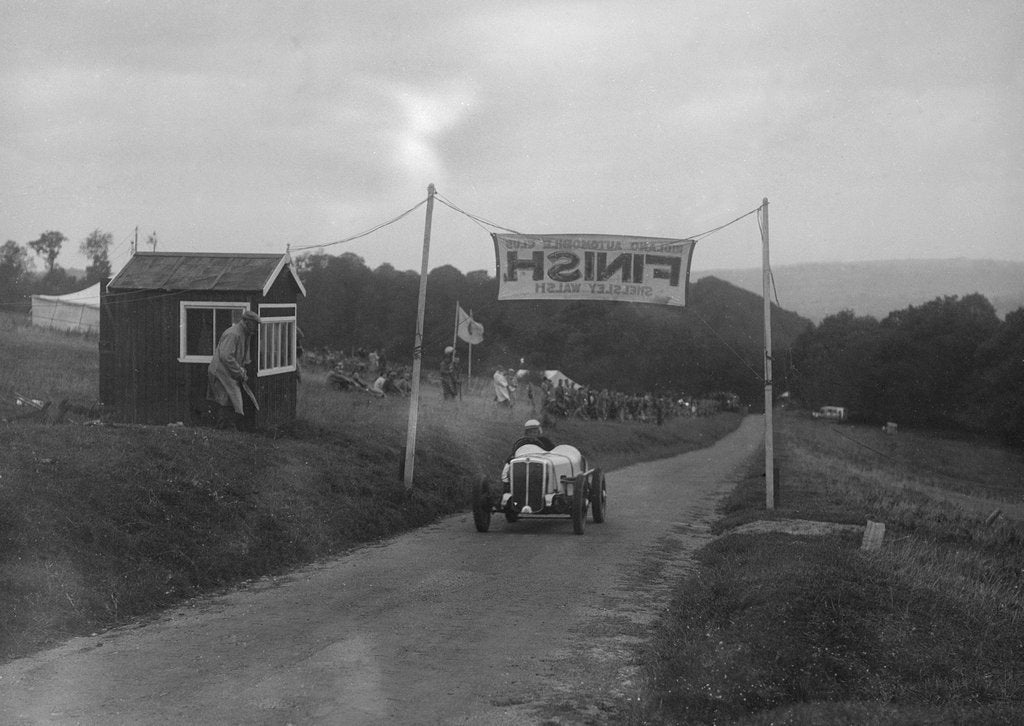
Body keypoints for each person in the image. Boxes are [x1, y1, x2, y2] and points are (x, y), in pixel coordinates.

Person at [207, 309, 260, 429]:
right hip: (220, 371)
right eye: (254, 323)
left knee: (230, 399)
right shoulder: (234, 333)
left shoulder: (244, 333)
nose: (256, 327)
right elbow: (226, 356)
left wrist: (240, 371)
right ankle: (224, 428)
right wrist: (238, 371)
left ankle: (226, 428)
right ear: (246, 321)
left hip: (227, 372)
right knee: (226, 399)